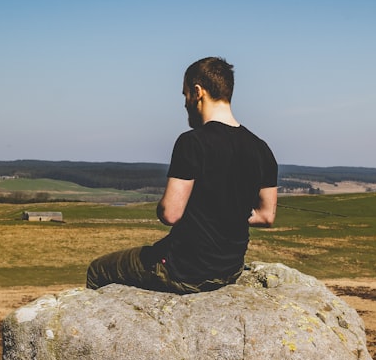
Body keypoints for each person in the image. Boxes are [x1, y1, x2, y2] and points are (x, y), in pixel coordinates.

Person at [86, 56, 278, 294]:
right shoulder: (261, 148)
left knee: (97, 269)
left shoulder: (192, 142)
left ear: (198, 92)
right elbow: (267, 216)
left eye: (185, 94)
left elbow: (170, 213)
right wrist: (229, 213)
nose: (185, 102)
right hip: (230, 269)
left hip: (185, 270)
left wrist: (163, 206)